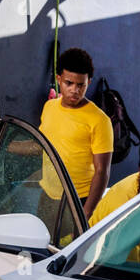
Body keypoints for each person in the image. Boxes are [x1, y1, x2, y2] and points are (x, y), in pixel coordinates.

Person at [39, 47, 113, 220]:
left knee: (71, 247)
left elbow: (102, 172)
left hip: (78, 199)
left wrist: (85, 214)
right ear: (59, 79)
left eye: (81, 85)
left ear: (89, 82)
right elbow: (41, 144)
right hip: (48, 194)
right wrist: (1, 141)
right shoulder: (49, 107)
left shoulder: (100, 120)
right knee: (40, 244)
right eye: (69, 83)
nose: (75, 90)